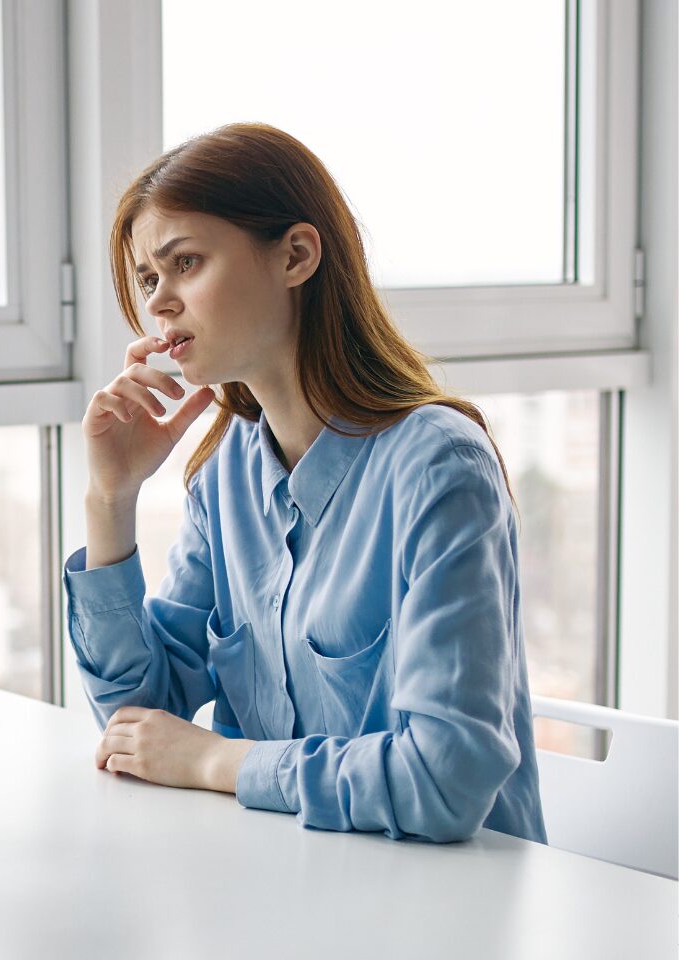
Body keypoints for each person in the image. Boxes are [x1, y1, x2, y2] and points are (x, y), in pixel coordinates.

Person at [71, 123, 545, 844]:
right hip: (285, 888)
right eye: (147, 279)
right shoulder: (227, 470)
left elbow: (446, 779)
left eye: (186, 262)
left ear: (295, 255)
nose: (159, 303)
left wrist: (218, 761)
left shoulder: (440, 469)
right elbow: (138, 716)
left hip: (450, 911)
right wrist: (111, 499)